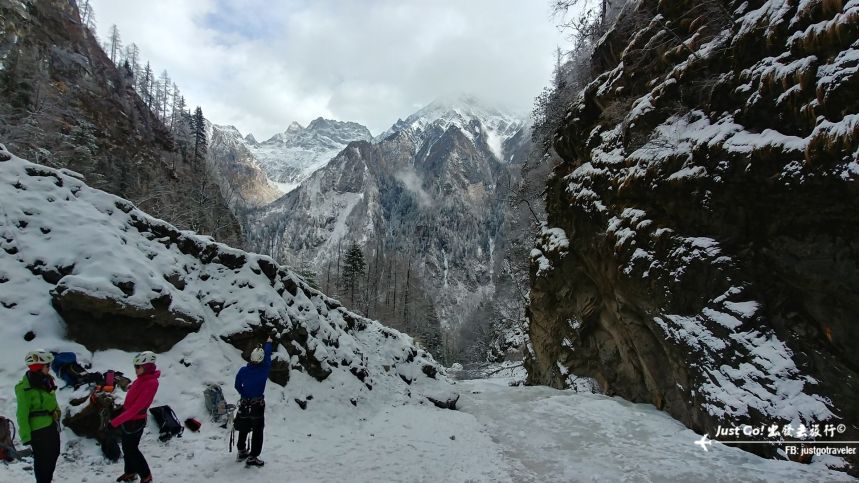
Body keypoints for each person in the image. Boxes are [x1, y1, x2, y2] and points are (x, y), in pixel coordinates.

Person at [111, 351, 160, 483]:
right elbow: (133, 392)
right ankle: (130, 472)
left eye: (138, 366)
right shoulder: (142, 378)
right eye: (135, 366)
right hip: (129, 419)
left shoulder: (151, 383)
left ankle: (146, 475)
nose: (136, 369)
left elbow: (136, 408)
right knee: (127, 448)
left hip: (135, 421)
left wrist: (114, 422)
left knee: (132, 449)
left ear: (147, 366)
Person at [15, 350, 61, 483]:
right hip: (38, 430)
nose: (49, 368)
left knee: (54, 454)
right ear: (38, 367)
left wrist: (57, 412)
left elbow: (52, 399)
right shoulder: (25, 388)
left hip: (51, 425)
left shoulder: (47, 381)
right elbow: (21, 413)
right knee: (42, 460)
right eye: (47, 366)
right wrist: (26, 436)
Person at [234, 336, 273, 467]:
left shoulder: (243, 371)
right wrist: (268, 342)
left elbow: (237, 385)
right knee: (257, 430)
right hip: (257, 406)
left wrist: (244, 394)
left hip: (245, 404)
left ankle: (241, 450)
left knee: (244, 427)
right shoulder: (264, 369)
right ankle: (253, 456)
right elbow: (267, 355)